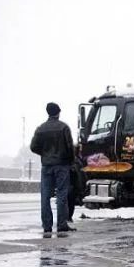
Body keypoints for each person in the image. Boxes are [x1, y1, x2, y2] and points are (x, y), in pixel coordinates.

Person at [30, 102, 76, 237]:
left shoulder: (40, 129)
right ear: (58, 112)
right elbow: (70, 148)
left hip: (46, 166)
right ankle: (62, 225)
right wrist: (70, 162)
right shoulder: (64, 128)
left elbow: (33, 147)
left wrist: (45, 154)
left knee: (45, 196)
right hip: (62, 165)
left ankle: (47, 226)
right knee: (62, 195)